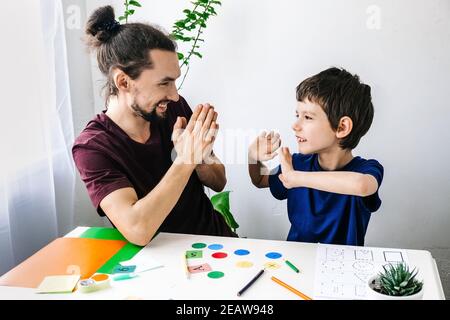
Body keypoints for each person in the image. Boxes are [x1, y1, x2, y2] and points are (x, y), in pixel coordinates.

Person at [72, 6, 235, 246]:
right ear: (123, 81)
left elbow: (218, 181)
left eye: (175, 82)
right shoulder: (93, 148)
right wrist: (185, 159)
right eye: (164, 83)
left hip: (217, 244)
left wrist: (199, 158)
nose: (175, 95)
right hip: (158, 266)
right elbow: (138, 229)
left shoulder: (174, 110)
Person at [248, 67, 383, 246]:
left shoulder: (366, 170)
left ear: (341, 127)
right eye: (297, 115)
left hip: (343, 269)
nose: (295, 125)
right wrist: (253, 157)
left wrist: (296, 178)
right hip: (296, 264)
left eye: (308, 117)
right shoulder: (296, 164)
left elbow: (362, 185)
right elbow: (259, 180)